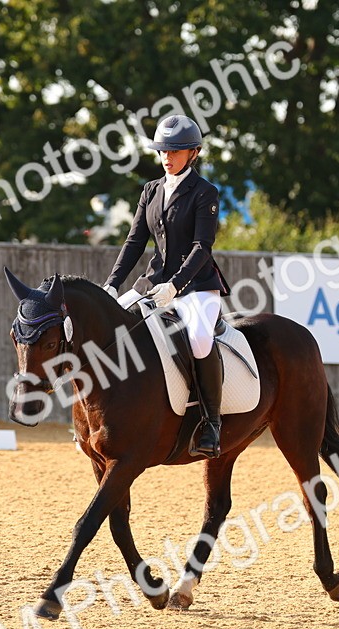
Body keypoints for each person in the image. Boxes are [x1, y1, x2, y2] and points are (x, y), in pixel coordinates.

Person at [102, 114, 230, 459]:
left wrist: (176, 286)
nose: (167, 158)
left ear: (194, 153)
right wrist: (112, 285)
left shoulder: (205, 193)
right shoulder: (151, 190)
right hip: (153, 282)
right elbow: (133, 243)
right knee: (110, 326)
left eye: (175, 151)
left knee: (200, 341)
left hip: (196, 287)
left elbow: (202, 247)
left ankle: (212, 423)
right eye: (163, 151)